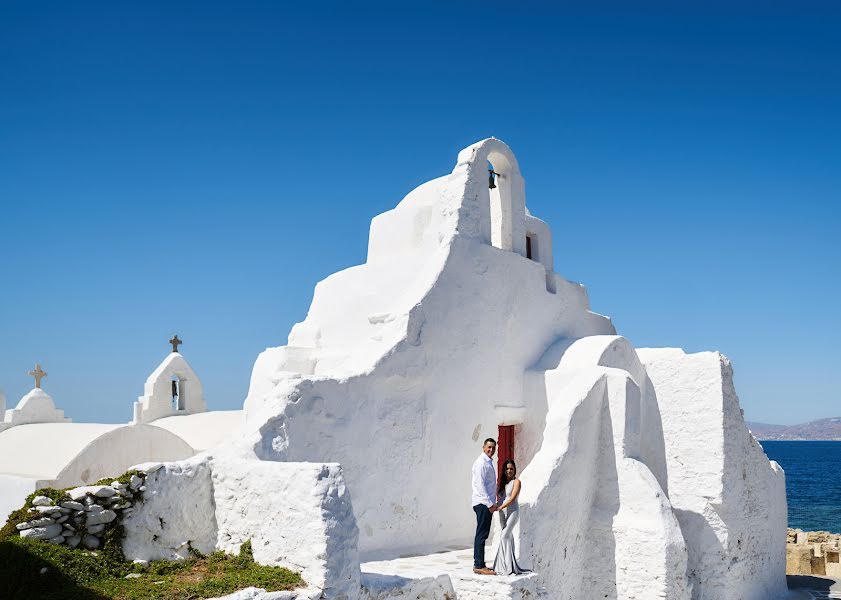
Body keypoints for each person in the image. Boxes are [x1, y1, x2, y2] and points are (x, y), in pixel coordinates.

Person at [493, 459, 529, 575]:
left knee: (504, 536)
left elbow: (512, 498)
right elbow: (499, 498)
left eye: (511, 469)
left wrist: (501, 506)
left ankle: (506, 567)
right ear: (504, 470)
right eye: (507, 469)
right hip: (502, 513)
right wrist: (497, 507)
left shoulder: (516, 482)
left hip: (512, 512)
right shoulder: (503, 484)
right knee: (508, 537)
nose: (509, 471)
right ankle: (509, 565)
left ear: (514, 470)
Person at [471, 438, 498, 575]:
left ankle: (480, 563)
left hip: (485, 503)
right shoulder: (481, 463)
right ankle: (479, 564)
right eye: (489, 447)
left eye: (493, 448)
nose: (491, 450)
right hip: (483, 503)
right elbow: (480, 486)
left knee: (483, 533)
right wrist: (490, 504)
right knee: (481, 534)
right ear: (483, 447)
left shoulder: (487, 462)